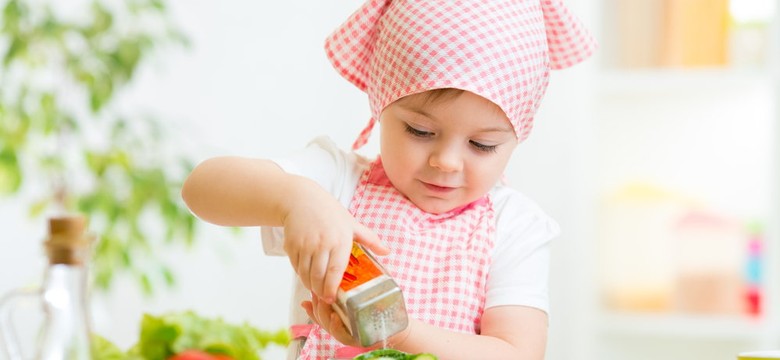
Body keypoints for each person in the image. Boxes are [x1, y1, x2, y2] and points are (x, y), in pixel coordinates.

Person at [181, 0, 596, 359]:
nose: (447, 161)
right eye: (420, 131)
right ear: (381, 104)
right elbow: (200, 187)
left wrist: (397, 331)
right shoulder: (336, 181)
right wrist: (294, 199)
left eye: (482, 145)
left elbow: (518, 353)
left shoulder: (514, 226)